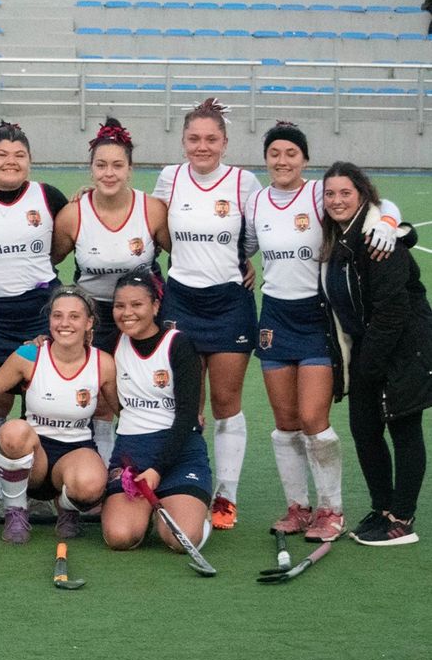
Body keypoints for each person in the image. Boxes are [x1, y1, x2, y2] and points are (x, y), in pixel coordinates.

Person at [244, 124, 398, 542]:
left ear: (305, 160)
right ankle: (298, 507)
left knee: (313, 418)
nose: (282, 160)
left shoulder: (319, 194)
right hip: (274, 317)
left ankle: (332, 510)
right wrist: (245, 263)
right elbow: (245, 247)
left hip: (316, 318)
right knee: (285, 422)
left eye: (291, 153)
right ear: (266, 158)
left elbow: (384, 205)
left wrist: (386, 222)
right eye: (274, 152)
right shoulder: (256, 200)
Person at [151, 98, 263, 530]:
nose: (202, 146)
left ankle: (226, 496)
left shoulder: (242, 182)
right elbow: (157, 227)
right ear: (183, 141)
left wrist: (235, 261)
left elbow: (250, 238)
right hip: (181, 299)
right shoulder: (170, 178)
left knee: (225, 403)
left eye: (211, 139)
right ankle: (187, 481)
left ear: (225, 142)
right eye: (194, 138)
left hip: (229, 302)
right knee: (187, 402)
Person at [0, 121, 68, 518]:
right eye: (1, 154)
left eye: (20, 155)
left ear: (31, 162)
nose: (11, 161)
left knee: (43, 397)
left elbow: (67, 241)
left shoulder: (48, 197)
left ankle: (37, 491)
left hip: (41, 310)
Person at [320, 162, 431, 547]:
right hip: (368, 347)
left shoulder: (378, 240)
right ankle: (382, 509)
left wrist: (369, 365)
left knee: (403, 426)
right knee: (365, 430)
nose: (337, 201)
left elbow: (394, 310)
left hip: (403, 346)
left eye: (345, 193)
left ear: (362, 195)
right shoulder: (337, 238)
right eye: (330, 194)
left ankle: (402, 519)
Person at [0, 286, 115, 543]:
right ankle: (16, 511)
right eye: (57, 316)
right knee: (13, 432)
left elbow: (124, 413)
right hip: (33, 456)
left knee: (92, 485)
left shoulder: (103, 362)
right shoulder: (28, 355)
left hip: (76, 452)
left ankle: (67, 509)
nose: (65, 324)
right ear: (49, 319)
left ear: (89, 322)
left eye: (74, 317)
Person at [52, 118, 168, 464]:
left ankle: (142, 463)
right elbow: (47, 262)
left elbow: (184, 253)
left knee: (142, 390)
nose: (109, 173)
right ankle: (102, 473)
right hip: (95, 315)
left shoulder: (152, 210)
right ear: (90, 169)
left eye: (118, 165)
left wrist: (243, 262)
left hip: (140, 314)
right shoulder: (73, 215)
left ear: (130, 169)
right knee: (100, 397)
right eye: (101, 165)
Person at [101, 268, 212, 556]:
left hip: (179, 452)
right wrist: (39, 344)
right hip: (132, 453)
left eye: (137, 305)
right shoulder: (111, 343)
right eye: (119, 306)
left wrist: (157, 470)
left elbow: (188, 417)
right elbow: (70, 355)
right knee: (120, 537)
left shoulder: (178, 344)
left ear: (155, 306)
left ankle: (196, 515)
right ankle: (147, 513)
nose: (127, 313)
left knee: (180, 540)